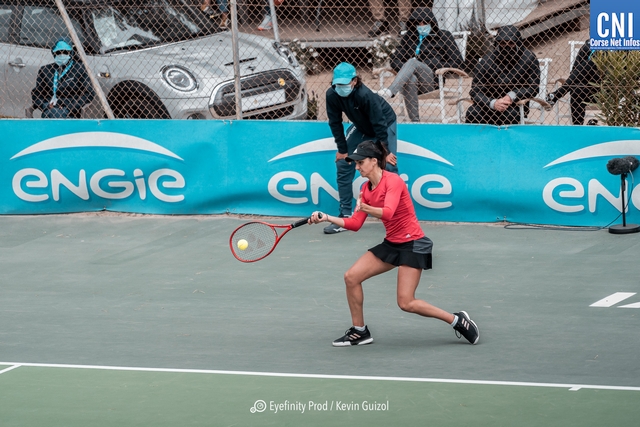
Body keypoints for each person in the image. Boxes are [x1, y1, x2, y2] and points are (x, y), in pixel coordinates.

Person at [308, 140, 480, 347]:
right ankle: (360, 331)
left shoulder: (393, 181)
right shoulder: (365, 188)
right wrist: (327, 217)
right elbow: (355, 224)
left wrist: (365, 208)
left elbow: (388, 212)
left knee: (406, 303)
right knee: (351, 277)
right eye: (356, 163)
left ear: (374, 161)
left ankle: (456, 320)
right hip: (392, 243)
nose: (357, 167)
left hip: (413, 244)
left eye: (361, 162)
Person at [325, 62, 398, 234]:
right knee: (343, 162)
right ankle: (345, 216)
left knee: (388, 166)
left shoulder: (365, 95)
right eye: (337, 84)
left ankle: (396, 217)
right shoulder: (332, 95)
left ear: (355, 81)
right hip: (362, 127)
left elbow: (379, 123)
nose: (340, 87)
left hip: (384, 124)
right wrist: (342, 149)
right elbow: (335, 123)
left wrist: (384, 152)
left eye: (344, 83)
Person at [377, 7, 464, 122]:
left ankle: (390, 92)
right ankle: (415, 122)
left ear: (432, 22)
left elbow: (458, 62)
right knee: (411, 76)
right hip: (410, 81)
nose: (422, 25)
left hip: (432, 81)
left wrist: (435, 64)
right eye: (418, 23)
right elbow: (394, 60)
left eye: (425, 22)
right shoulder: (409, 37)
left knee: (412, 62)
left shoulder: (444, 36)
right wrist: (407, 70)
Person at [465, 25, 540, 125]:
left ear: (518, 43)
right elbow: (475, 91)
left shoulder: (529, 58)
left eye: (511, 43)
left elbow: (533, 87)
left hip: (515, 104)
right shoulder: (486, 61)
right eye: (503, 43)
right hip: (489, 104)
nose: (507, 47)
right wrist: (493, 103)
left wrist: (511, 96)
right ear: (498, 43)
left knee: (510, 114)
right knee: (472, 112)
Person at [31, 38, 95, 119]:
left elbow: (88, 93)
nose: (61, 55)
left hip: (70, 111)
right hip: (50, 109)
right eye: (58, 52)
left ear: (70, 53)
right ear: (54, 53)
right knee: (53, 113)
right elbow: (36, 94)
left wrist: (70, 107)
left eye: (65, 52)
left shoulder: (80, 69)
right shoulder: (45, 70)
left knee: (56, 115)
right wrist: (46, 105)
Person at [545, 40, 601, 125]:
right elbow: (574, 71)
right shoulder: (587, 46)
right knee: (576, 89)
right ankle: (577, 127)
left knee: (590, 62)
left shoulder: (617, 45)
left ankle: (557, 94)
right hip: (586, 89)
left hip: (606, 89)